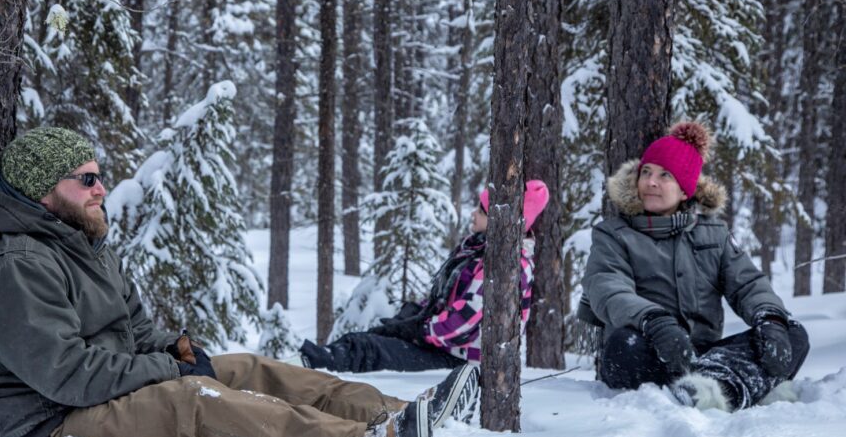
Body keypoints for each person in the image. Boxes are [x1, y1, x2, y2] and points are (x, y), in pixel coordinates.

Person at [0, 127, 482, 437]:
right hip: (46, 425)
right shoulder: (17, 267)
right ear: (40, 191)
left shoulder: (82, 245)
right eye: (87, 179)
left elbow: (137, 330)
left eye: (101, 176)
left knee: (243, 369)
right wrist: (172, 373)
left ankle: (402, 411)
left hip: (101, 392)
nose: (101, 188)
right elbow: (67, 375)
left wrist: (181, 352)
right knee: (193, 401)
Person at [581, 121, 809, 411]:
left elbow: (749, 284)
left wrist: (770, 319)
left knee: (792, 333)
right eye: (646, 172)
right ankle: (740, 386)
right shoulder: (613, 234)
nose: (651, 182)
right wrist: (654, 321)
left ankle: (710, 385)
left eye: (665, 175)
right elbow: (607, 287)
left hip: (703, 351)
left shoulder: (714, 234)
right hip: (648, 348)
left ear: (685, 191)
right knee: (623, 346)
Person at [300, 180, 550, 372]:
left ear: (499, 220)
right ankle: (307, 362)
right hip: (445, 346)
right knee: (366, 338)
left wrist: (419, 330)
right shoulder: (477, 251)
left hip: (461, 361)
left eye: (481, 211)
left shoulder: (508, 265)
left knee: (367, 350)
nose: (474, 214)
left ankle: (307, 368)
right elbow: (449, 301)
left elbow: (465, 322)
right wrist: (414, 316)